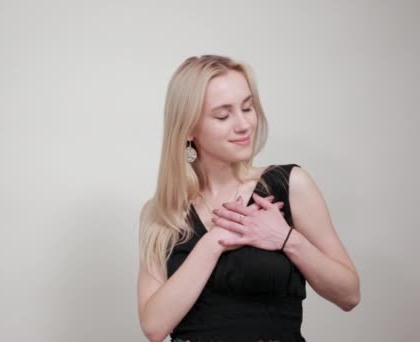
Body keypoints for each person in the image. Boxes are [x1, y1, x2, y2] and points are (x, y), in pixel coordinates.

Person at [136, 55, 361, 342]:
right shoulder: (161, 214)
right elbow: (154, 327)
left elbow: (350, 294)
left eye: (247, 107)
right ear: (189, 129)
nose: (244, 124)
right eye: (223, 115)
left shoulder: (290, 185)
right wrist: (214, 242)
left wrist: (286, 238)